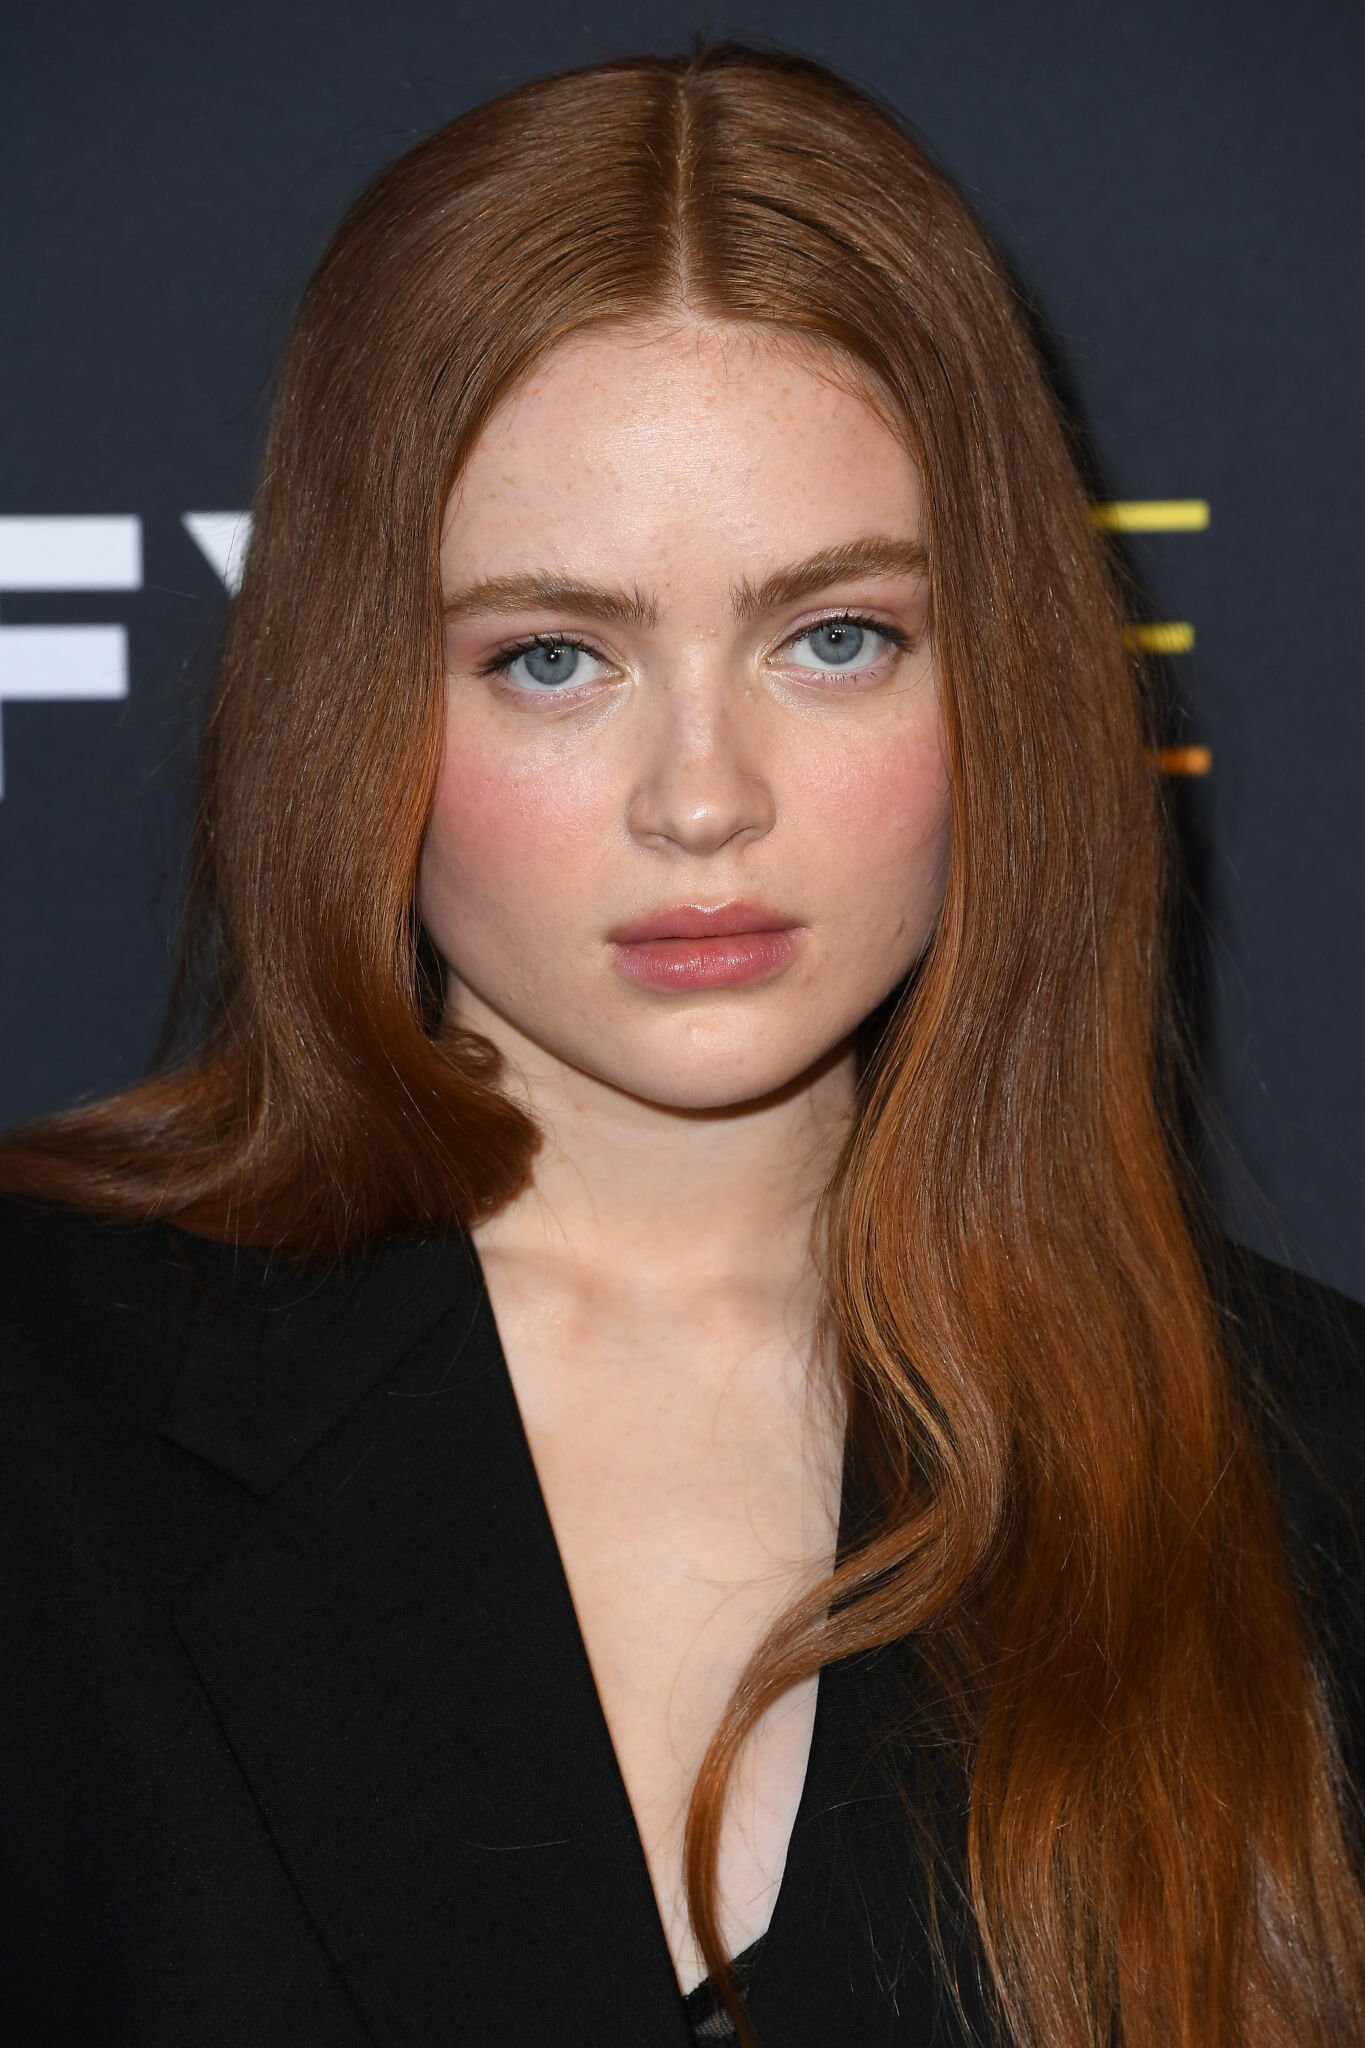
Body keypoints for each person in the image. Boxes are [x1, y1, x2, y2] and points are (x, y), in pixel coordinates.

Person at [0, 40, 1360, 2048]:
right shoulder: (41, 1400)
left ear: (999, 676)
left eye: (834, 637)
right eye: (554, 656)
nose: (702, 797)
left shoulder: (1310, 1465)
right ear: (353, 693)